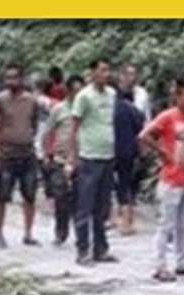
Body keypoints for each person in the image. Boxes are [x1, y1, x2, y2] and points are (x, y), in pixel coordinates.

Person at [140, 77, 184, 281]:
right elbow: (145, 135)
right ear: (178, 97)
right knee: (166, 223)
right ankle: (160, 265)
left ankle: (182, 260)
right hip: (171, 178)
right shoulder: (168, 117)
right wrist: (162, 152)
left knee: (183, 223)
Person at [66, 58, 117, 265]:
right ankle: (82, 251)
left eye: (108, 70)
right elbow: (74, 128)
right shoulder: (83, 97)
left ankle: (101, 249)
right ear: (93, 73)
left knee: (102, 207)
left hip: (108, 156)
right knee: (84, 206)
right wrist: (72, 158)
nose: (106, 74)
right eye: (103, 70)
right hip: (89, 157)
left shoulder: (112, 94)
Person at [0, 63, 40, 248]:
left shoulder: (31, 101)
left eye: (14, 77)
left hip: (27, 153)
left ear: (21, 79)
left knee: (29, 194)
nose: (11, 81)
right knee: (2, 195)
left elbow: (34, 123)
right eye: (7, 78)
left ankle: (28, 233)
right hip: (6, 154)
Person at [43, 74, 83, 247]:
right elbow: (48, 132)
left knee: (81, 198)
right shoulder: (59, 109)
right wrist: (46, 153)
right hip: (61, 158)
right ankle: (61, 232)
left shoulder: (86, 109)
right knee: (61, 197)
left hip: (83, 158)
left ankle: (81, 233)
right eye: (75, 90)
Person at [112, 87, 144, 236]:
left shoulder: (112, 109)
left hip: (111, 151)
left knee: (113, 186)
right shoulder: (134, 111)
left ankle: (118, 220)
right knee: (127, 185)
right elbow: (141, 130)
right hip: (129, 151)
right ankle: (127, 221)